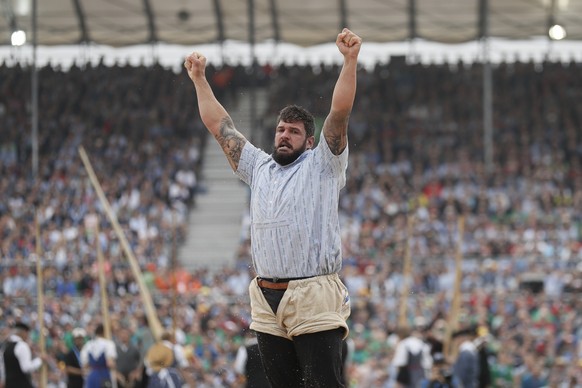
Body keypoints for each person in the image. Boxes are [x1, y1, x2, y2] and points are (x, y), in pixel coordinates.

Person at [184, 27, 361, 387]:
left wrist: (350, 60)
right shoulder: (259, 166)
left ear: (309, 141)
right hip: (266, 297)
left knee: (323, 384)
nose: (284, 135)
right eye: (281, 129)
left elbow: (339, 112)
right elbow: (221, 127)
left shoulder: (322, 164)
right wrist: (200, 79)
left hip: (313, 294)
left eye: (294, 132)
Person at [1, 321, 48, 388]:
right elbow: (26, 368)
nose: (27, 336)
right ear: (23, 333)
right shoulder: (22, 345)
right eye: (27, 333)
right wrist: (40, 359)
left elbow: (3, 368)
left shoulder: (5, 347)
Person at [392, 321, 433, 388]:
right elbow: (399, 364)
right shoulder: (405, 344)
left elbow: (399, 364)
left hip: (418, 377)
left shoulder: (424, 345)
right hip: (408, 377)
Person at [80, 323, 118, 388]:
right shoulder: (109, 344)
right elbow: (110, 363)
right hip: (104, 375)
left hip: (92, 376)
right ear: (104, 332)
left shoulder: (88, 345)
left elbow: (85, 365)